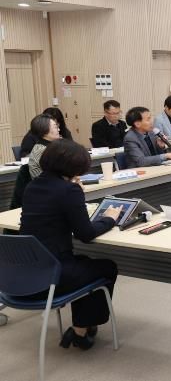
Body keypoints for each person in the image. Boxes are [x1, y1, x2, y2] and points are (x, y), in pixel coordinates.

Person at [19, 139, 122, 350]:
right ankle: (81, 330)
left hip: (23, 275)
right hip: (51, 277)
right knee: (106, 267)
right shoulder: (69, 190)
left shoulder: (32, 186)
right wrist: (110, 218)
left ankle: (82, 327)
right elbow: (86, 234)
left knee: (84, 263)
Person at [27, 114, 62, 179]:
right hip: (48, 184)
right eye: (55, 127)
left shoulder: (50, 147)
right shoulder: (41, 150)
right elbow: (59, 173)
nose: (59, 129)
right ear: (44, 130)